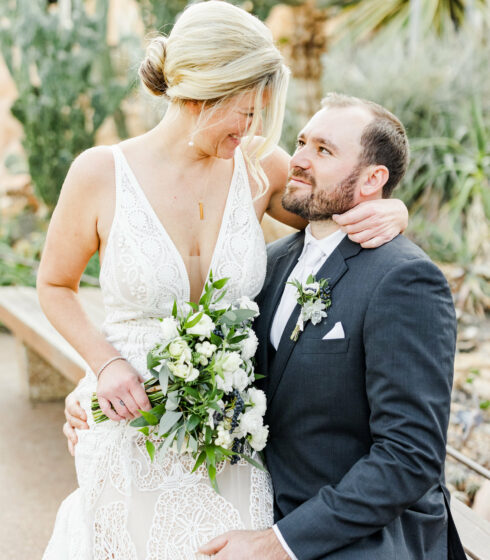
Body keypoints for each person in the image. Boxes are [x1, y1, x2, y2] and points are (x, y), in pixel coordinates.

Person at [44, 2, 408, 558]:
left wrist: (394, 211)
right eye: (246, 110)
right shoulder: (99, 172)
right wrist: (105, 364)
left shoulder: (259, 164)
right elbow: (55, 286)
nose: (254, 127)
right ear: (204, 92)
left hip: (228, 429)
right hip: (128, 417)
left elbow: (338, 209)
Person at [198, 93, 465, 559]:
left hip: (367, 539)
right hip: (255, 504)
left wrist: (279, 545)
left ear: (372, 180)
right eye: (301, 142)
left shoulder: (403, 279)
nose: (298, 160)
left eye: (323, 150)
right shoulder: (269, 263)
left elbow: (409, 457)